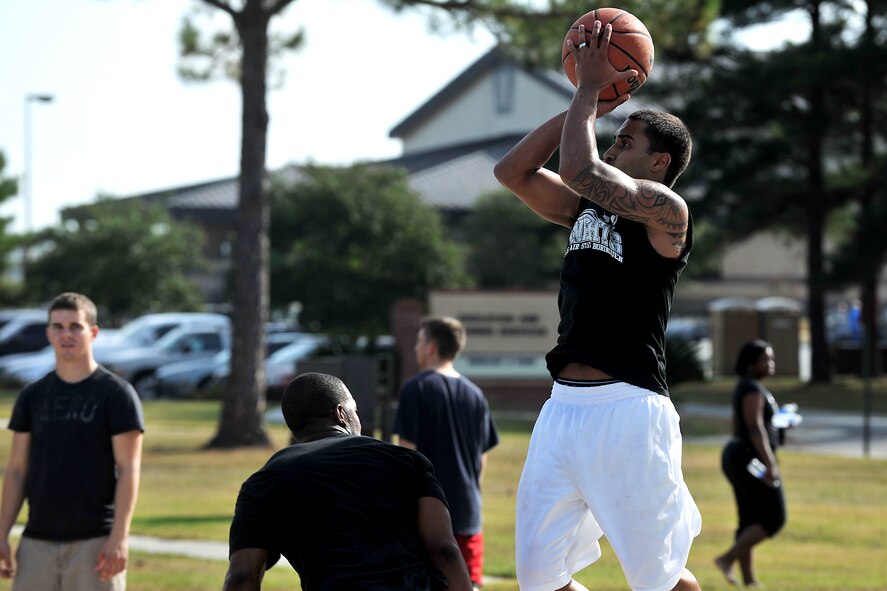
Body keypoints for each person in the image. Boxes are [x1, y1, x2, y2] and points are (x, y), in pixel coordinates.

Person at [493, 21, 701, 591]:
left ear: (659, 163)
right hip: (563, 408)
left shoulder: (668, 212)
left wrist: (589, 87)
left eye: (626, 142)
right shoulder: (585, 207)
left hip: (629, 409)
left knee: (661, 580)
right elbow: (512, 172)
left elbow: (579, 169)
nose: (612, 145)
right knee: (539, 579)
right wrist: (588, 102)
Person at [223, 372, 472, 591]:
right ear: (341, 414)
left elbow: (242, 575)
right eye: (355, 410)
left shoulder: (265, 481)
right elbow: (444, 549)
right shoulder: (406, 461)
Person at [0, 292, 144, 591]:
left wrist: (119, 537)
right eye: (58, 326)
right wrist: (2, 534)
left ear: (93, 332)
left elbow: (129, 469)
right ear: (48, 333)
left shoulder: (116, 394)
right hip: (36, 542)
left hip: (95, 543)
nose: (66, 334)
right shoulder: (32, 395)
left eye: (75, 326)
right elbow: (16, 471)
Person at [393, 316, 500, 589]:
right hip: (468, 512)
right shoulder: (475, 394)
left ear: (430, 347)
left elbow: (407, 453)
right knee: (467, 585)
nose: (416, 348)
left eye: (419, 341)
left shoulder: (415, 388)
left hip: (427, 515)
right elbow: (481, 458)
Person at [715, 340, 786, 587]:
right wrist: (770, 464)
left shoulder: (747, 387)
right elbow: (755, 428)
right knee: (774, 517)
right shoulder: (752, 389)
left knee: (749, 516)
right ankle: (726, 559)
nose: (771, 364)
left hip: (741, 457)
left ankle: (749, 580)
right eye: (766, 359)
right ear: (750, 363)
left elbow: (751, 425)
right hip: (749, 460)